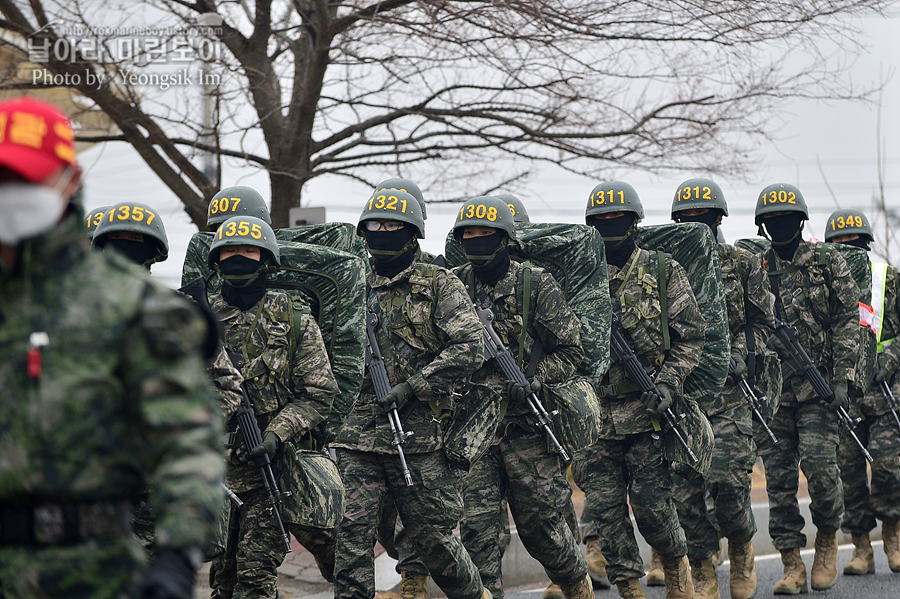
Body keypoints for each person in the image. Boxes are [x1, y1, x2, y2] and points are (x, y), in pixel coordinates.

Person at [0, 96, 225, 599]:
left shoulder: (132, 305)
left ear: (69, 181)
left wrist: (177, 555)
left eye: (25, 179)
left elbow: (186, 444)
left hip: (92, 570)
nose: (10, 194)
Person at [331, 190, 490, 599]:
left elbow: (471, 346)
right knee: (350, 541)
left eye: (392, 226)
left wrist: (414, 386)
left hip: (419, 435)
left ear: (412, 232)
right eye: (374, 226)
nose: (381, 233)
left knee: (436, 544)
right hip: (356, 436)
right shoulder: (349, 284)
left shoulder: (438, 283)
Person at [451, 196, 593, 599]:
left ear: (504, 238)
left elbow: (572, 351)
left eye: (485, 234)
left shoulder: (534, 283)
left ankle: (576, 584)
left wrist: (536, 378)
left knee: (543, 532)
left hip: (527, 427)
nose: (476, 241)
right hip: (474, 431)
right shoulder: (454, 285)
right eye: (469, 234)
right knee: (478, 533)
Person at [575, 181, 705, 599]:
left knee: (652, 507)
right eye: (601, 220)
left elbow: (691, 338)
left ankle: (676, 565)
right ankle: (628, 586)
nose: (610, 226)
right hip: (596, 417)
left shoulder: (663, 271)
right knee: (606, 513)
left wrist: (668, 383)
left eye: (618, 218)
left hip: (649, 411)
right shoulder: (579, 277)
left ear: (634, 222)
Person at [206, 215, 339, 599]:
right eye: (229, 251)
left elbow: (319, 392)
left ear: (266, 260)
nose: (238, 258)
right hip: (216, 468)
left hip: (272, 466)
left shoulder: (294, 318)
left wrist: (277, 432)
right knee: (224, 580)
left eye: (248, 251)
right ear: (216, 262)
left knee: (255, 573)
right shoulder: (198, 319)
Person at [670, 178, 775, 599]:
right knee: (685, 489)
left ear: (717, 219)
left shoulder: (743, 263)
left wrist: (740, 353)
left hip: (731, 394)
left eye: (704, 216)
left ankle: (742, 547)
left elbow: (762, 322)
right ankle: (701, 566)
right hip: (683, 394)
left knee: (729, 483)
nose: (696, 223)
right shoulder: (667, 266)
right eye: (688, 217)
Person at [753, 184, 860, 593]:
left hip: (819, 392)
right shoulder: (756, 266)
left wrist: (841, 378)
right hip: (774, 392)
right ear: (764, 226)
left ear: (800, 221)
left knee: (821, 470)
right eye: (773, 220)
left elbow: (849, 319)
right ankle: (792, 563)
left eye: (787, 218)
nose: (780, 225)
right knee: (779, 482)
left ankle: (829, 542)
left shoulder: (827, 261)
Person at [823, 208, 900, 576]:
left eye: (851, 242)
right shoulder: (821, 282)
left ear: (865, 244)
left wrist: (891, 359)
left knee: (888, 469)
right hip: (845, 395)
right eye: (837, 244)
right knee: (849, 475)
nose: (845, 249)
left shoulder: (888, 278)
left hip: (886, 393)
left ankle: (894, 538)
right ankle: (861, 548)